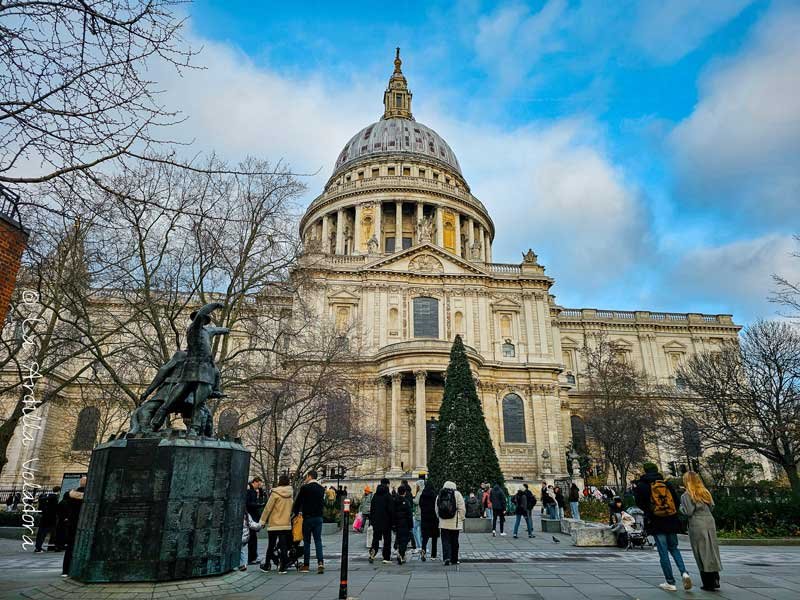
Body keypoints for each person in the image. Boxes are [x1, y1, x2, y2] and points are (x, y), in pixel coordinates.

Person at [634, 462, 692, 592]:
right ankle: (684, 572)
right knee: (674, 549)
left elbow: (640, 503)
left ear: (645, 470)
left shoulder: (642, 485)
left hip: (656, 522)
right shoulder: (667, 484)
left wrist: (651, 511)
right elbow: (676, 502)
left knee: (663, 552)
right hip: (671, 520)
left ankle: (670, 582)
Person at [681, 471, 722, 591]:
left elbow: (688, 511)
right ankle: (715, 577)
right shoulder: (705, 492)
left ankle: (708, 581)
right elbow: (712, 506)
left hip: (697, 523)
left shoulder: (687, 495)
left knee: (701, 551)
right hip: (709, 521)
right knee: (712, 549)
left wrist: (681, 509)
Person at [292, 469, 326, 574]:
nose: (305, 479)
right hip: (318, 517)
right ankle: (320, 562)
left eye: (306, 477)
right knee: (318, 540)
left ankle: (306, 565)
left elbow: (298, 502)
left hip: (308, 518)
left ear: (310, 476)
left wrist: (295, 513)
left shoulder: (305, 488)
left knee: (307, 542)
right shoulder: (321, 489)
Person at [259, 474, 293, 574]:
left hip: (274, 523)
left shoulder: (275, 494)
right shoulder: (290, 494)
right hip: (285, 523)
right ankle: (282, 567)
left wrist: (262, 520)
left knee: (271, 545)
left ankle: (266, 565)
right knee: (283, 546)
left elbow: (268, 508)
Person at [60, 477, 86, 577]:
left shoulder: (69, 495)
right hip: (84, 524)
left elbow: (63, 505)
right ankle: (80, 569)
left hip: (72, 524)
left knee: (70, 547)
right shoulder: (91, 495)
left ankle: (65, 570)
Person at [436, 480, 466, 566]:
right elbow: (462, 508)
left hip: (443, 523)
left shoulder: (440, 494)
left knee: (445, 541)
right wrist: (462, 518)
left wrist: (439, 517)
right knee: (454, 541)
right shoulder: (457, 494)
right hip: (454, 523)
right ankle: (454, 559)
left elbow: (436, 507)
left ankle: (446, 558)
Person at [369, 479, 394, 564]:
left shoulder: (375, 496)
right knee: (387, 540)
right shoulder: (388, 496)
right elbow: (391, 510)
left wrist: (372, 520)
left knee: (375, 538)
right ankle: (386, 557)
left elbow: (372, 509)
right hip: (386, 522)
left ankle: (373, 552)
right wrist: (393, 522)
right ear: (387, 484)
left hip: (376, 521)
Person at [246, 476, 266, 564]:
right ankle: (252, 557)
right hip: (251, 517)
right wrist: (258, 505)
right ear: (255, 482)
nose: (260, 485)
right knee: (252, 538)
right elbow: (249, 504)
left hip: (252, 516)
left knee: (253, 538)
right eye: (259, 483)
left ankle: (253, 556)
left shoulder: (253, 491)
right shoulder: (250, 491)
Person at [34, 486, 60, 553]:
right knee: (54, 534)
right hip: (52, 519)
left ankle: (38, 547)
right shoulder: (55, 497)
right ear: (59, 490)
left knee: (41, 534)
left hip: (44, 518)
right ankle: (55, 547)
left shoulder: (46, 496)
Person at [418, 483, 439, 561]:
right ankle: (433, 555)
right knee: (434, 538)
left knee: (425, 537)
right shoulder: (435, 496)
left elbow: (420, 505)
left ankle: (423, 549)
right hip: (433, 519)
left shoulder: (422, 496)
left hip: (425, 518)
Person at [393, 485, 413, 564]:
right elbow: (409, 515)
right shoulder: (406, 502)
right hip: (405, 524)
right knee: (404, 540)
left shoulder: (394, 501)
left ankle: (400, 554)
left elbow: (392, 513)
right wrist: (411, 526)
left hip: (397, 524)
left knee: (399, 539)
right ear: (404, 492)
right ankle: (401, 554)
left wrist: (393, 524)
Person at [411, 483, 422, 550]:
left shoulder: (419, 493)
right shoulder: (422, 492)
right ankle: (421, 545)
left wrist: (412, 499)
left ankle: (419, 545)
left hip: (418, 514)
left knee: (414, 529)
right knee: (420, 531)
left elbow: (417, 501)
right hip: (421, 514)